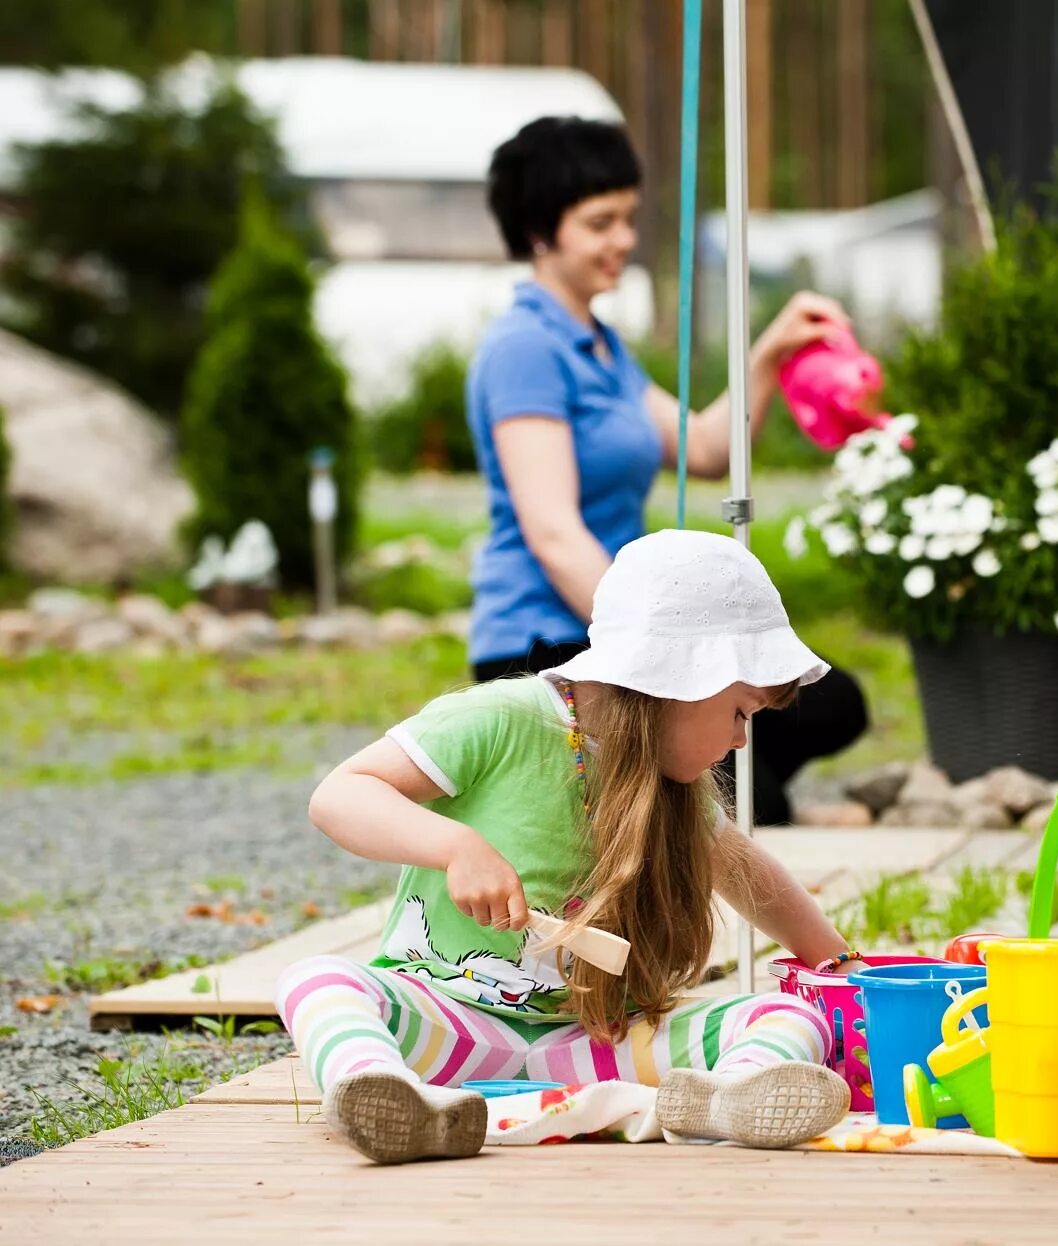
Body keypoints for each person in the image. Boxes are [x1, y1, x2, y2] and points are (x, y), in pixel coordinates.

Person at [276, 531, 865, 1163]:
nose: (742, 741)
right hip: (451, 1027)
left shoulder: (673, 787)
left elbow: (752, 878)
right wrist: (455, 846)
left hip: (589, 1048)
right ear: (685, 681)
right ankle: (387, 1097)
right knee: (320, 980)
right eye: (741, 712)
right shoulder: (501, 718)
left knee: (785, 1016)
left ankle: (724, 1101)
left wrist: (840, 965)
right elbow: (339, 796)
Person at [467, 115, 866, 824]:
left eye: (627, 218)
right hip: (550, 644)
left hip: (620, 626)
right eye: (600, 222)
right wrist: (656, 646)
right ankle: (730, 791)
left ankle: (716, 778)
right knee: (739, 800)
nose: (623, 239)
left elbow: (708, 449)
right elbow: (553, 534)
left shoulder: (600, 348)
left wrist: (769, 353)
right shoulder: (524, 348)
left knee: (830, 700)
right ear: (538, 231)